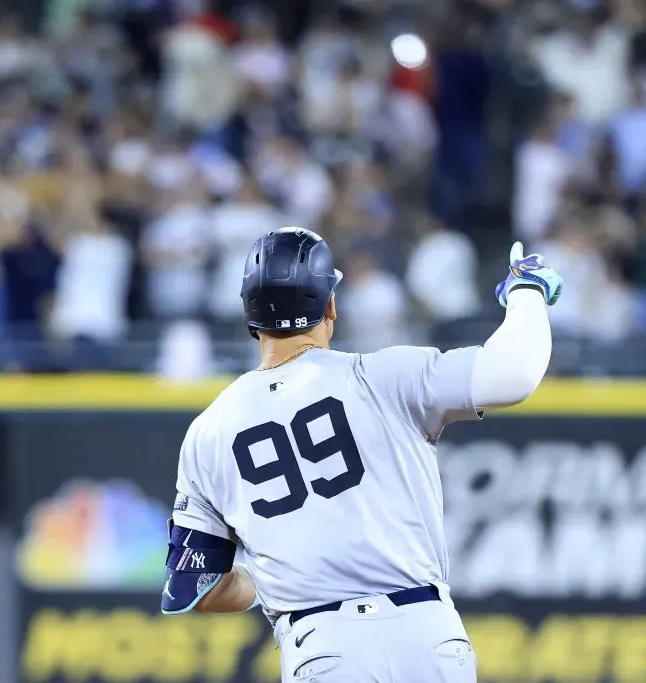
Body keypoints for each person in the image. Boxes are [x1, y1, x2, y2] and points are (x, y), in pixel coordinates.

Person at [159, 228, 563, 683]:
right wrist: (528, 288)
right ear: (329, 304)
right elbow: (515, 373)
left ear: (249, 313)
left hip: (323, 645)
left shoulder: (208, 431)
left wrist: (269, 581)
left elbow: (196, 588)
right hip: (426, 635)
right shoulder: (382, 375)